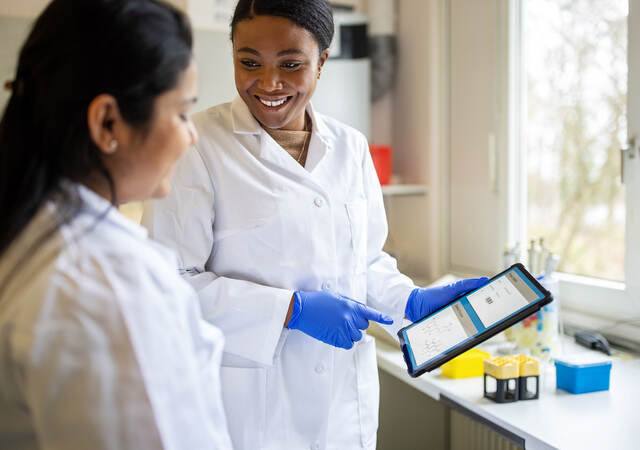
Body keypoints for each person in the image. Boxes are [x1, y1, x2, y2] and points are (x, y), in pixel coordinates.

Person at [142, 0, 487, 448]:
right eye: (249, 62)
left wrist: (411, 301)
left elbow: (364, 259)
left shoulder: (350, 147)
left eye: (291, 64)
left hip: (345, 409)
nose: (269, 83)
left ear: (321, 62)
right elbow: (168, 289)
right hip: (251, 412)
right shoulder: (198, 146)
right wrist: (291, 310)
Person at [0, 0, 232, 448]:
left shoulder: (30, 229)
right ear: (108, 121)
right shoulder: (105, 284)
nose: (192, 134)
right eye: (182, 113)